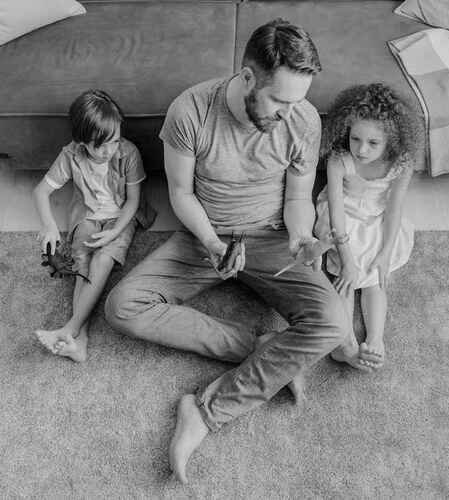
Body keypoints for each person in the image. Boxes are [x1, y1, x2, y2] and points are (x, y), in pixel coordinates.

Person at [104, 19, 382, 483]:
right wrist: (213, 243)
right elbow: (180, 194)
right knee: (122, 307)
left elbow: (297, 197)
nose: (288, 113)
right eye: (279, 101)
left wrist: (300, 235)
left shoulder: (302, 119)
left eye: (297, 101)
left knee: (333, 323)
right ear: (248, 77)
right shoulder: (190, 110)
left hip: (271, 236)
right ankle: (262, 349)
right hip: (205, 235)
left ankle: (205, 411)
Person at [33, 89, 154, 362]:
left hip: (121, 217)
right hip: (87, 215)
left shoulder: (128, 153)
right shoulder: (70, 155)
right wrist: (49, 226)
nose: (109, 151)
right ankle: (80, 341)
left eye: (115, 140)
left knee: (102, 260)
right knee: (81, 262)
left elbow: (133, 202)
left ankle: (71, 329)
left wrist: (114, 231)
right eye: (100, 145)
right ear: (82, 141)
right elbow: (40, 192)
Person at [315, 83, 423, 366]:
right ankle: (346, 343)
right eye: (355, 139)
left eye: (373, 143)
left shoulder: (402, 163)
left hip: (377, 216)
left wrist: (386, 252)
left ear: (392, 141)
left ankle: (375, 339)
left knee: (376, 276)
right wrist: (347, 259)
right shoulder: (339, 160)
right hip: (342, 219)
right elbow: (336, 213)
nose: (361, 150)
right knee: (347, 277)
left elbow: (394, 209)